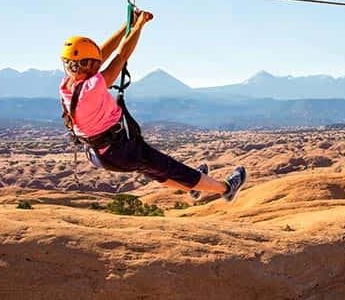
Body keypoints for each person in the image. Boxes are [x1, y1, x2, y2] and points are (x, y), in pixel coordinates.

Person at [59, 10, 246, 202]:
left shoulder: (67, 85)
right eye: (93, 63)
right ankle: (226, 188)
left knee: (156, 171)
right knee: (171, 168)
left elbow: (100, 55)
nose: (98, 64)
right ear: (88, 64)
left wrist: (127, 25)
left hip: (98, 153)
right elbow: (121, 56)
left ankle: (192, 187)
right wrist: (139, 26)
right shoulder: (92, 87)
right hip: (119, 151)